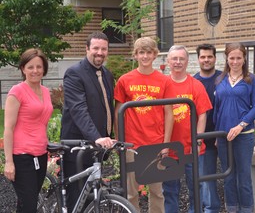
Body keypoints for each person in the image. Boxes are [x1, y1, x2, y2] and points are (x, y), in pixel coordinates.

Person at [114, 37, 175, 213]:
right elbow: (119, 112)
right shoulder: (125, 80)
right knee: (131, 192)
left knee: (157, 192)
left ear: (155, 55)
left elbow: (169, 113)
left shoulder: (164, 81)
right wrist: (119, 141)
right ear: (135, 55)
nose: (145, 56)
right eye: (141, 52)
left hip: (155, 143)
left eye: (149, 52)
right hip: (132, 143)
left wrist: (166, 144)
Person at [60, 31, 115, 212]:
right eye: (96, 48)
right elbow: (78, 110)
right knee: (77, 199)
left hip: (96, 147)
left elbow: (107, 107)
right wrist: (96, 137)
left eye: (104, 49)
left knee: (93, 196)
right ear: (87, 49)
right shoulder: (74, 73)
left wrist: (108, 136)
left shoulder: (107, 74)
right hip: (77, 146)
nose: (100, 52)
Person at [162, 45, 212, 213]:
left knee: (196, 190)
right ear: (168, 61)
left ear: (187, 61)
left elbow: (203, 115)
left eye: (181, 59)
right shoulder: (163, 84)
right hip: (169, 150)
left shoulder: (195, 85)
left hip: (192, 149)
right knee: (169, 191)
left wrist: (198, 142)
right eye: (174, 59)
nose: (178, 62)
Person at [3, 48, 53, 212]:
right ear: (23, 68)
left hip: (40, 154)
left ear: (44, 69)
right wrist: (9, 162)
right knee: (30, 205)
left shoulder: (45, 92)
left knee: (26, 204)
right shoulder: (17, 92)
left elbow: (42, 123)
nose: (35, 71)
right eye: (30, 67)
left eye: (39, 67)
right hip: (22, 156)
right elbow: (8, 129)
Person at [213, 42, 255, 213]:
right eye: (231, 58)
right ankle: (232, 209)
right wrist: (218, 136)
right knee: (228, 176)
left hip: (243, 136)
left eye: (238, 58)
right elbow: (217, 110)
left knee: (244, 177)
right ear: (226, 58)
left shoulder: (251, 80)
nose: (235, 61)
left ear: (244, 58)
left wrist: (240, 126)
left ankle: (247, 209)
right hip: (224, 137)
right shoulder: (220, 80)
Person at [194, 44, 222, 213]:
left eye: (209, 56)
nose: (206, 60)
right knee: (207, 177)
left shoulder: (224, 78)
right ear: (198, 59)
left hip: (224, 135)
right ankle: (211, 209)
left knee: (230, 174)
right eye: (203, 57)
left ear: (215, 58)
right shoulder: (194, 81)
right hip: (203, 138)